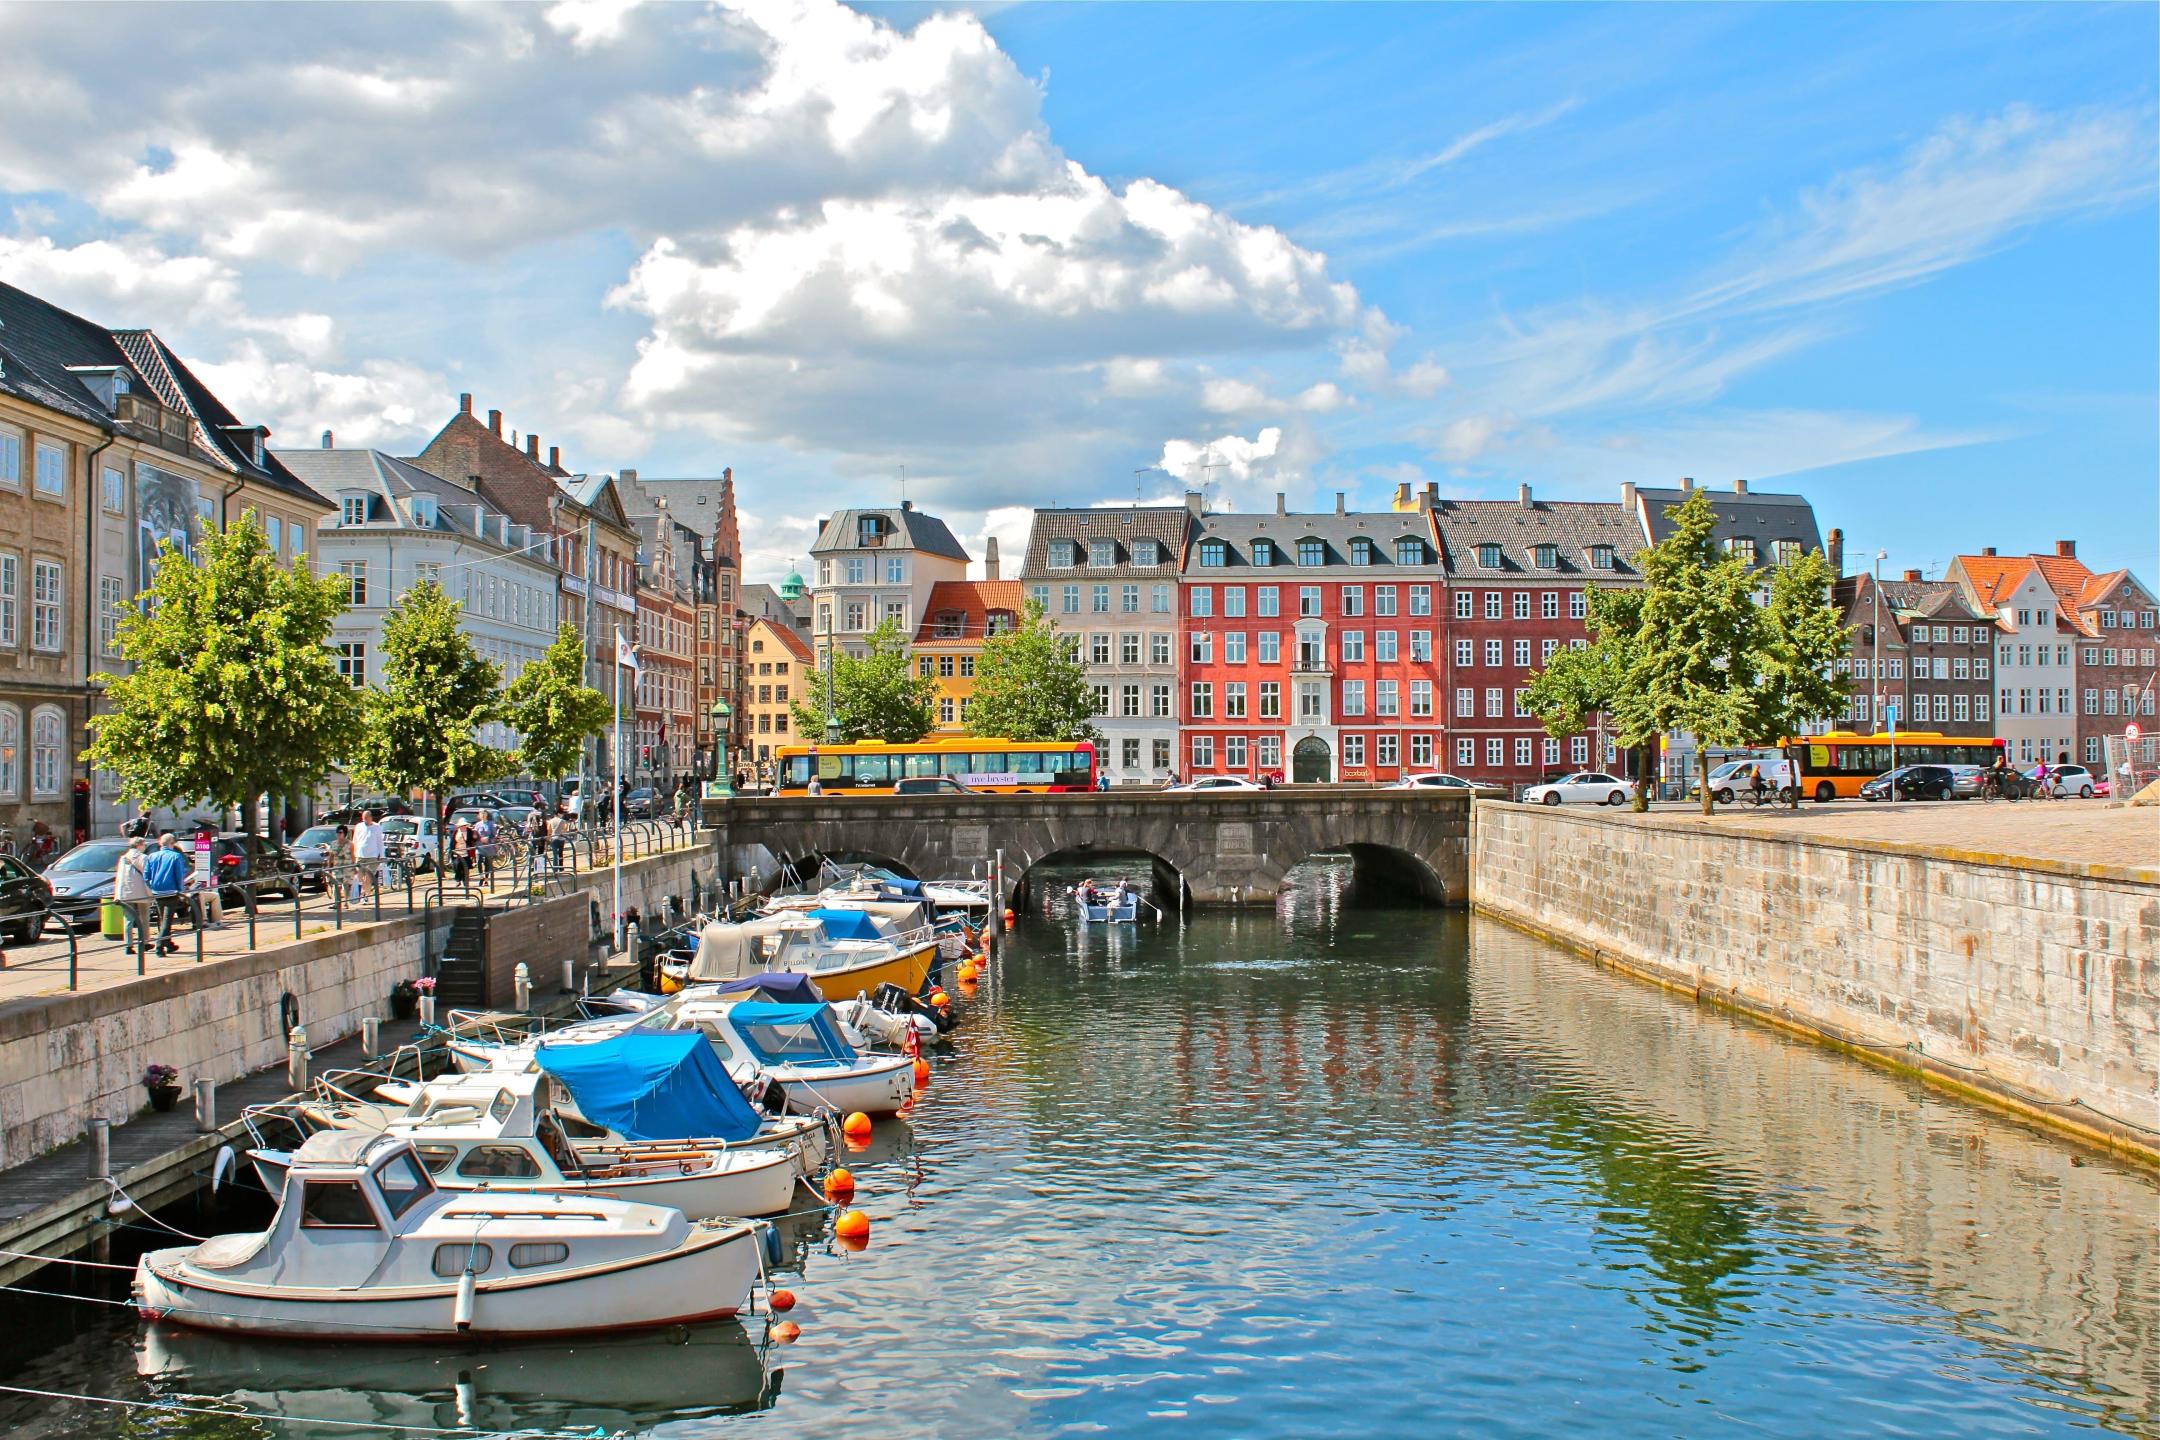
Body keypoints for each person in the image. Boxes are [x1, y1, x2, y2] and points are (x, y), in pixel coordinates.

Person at [144, 832, 190, 955]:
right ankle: (159, 946)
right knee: (167, 920)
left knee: (162, 919)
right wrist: (180, 890)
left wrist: (152, 886)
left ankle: (168, 944)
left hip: (157, 891)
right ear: (171, 843)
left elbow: (146, 876)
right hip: (171, 891)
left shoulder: (151, 856)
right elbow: (179, 875)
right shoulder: (175, 856)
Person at [113, 837, 157, 954]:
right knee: (144, 918)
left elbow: (119, 878)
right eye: (144, 845)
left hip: (126, 892)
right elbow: (147, 874)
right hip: (141, 892)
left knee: (128, 919)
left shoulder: (123, 858)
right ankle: (145, 943)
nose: (145, 847)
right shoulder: (143, 857)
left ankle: (128, 945)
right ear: (139, 845)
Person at [352, 809, 385, 900]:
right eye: (363, 818)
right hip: (360, 855)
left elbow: (380, 842)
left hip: (372, 856)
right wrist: (354, 855)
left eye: (366, 818)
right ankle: (363, 891)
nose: (365, 820)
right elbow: (355, 841)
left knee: (369, 877)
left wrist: (382, 856)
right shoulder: (359, 826)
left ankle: (365, 895)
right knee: (360, 876)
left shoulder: (376, 827)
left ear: (370, 818)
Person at [450, 813, 475, 886]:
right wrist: (452, 850)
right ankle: (458, 880)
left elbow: (471, 841)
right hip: (457, 852)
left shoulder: (469, 832)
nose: (462, 827)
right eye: (461, 825)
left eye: (464, 825)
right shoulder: (456, 832)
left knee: (465, 867)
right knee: (457, 866)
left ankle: (465, 881)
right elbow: (452, 842)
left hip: (466, 852)